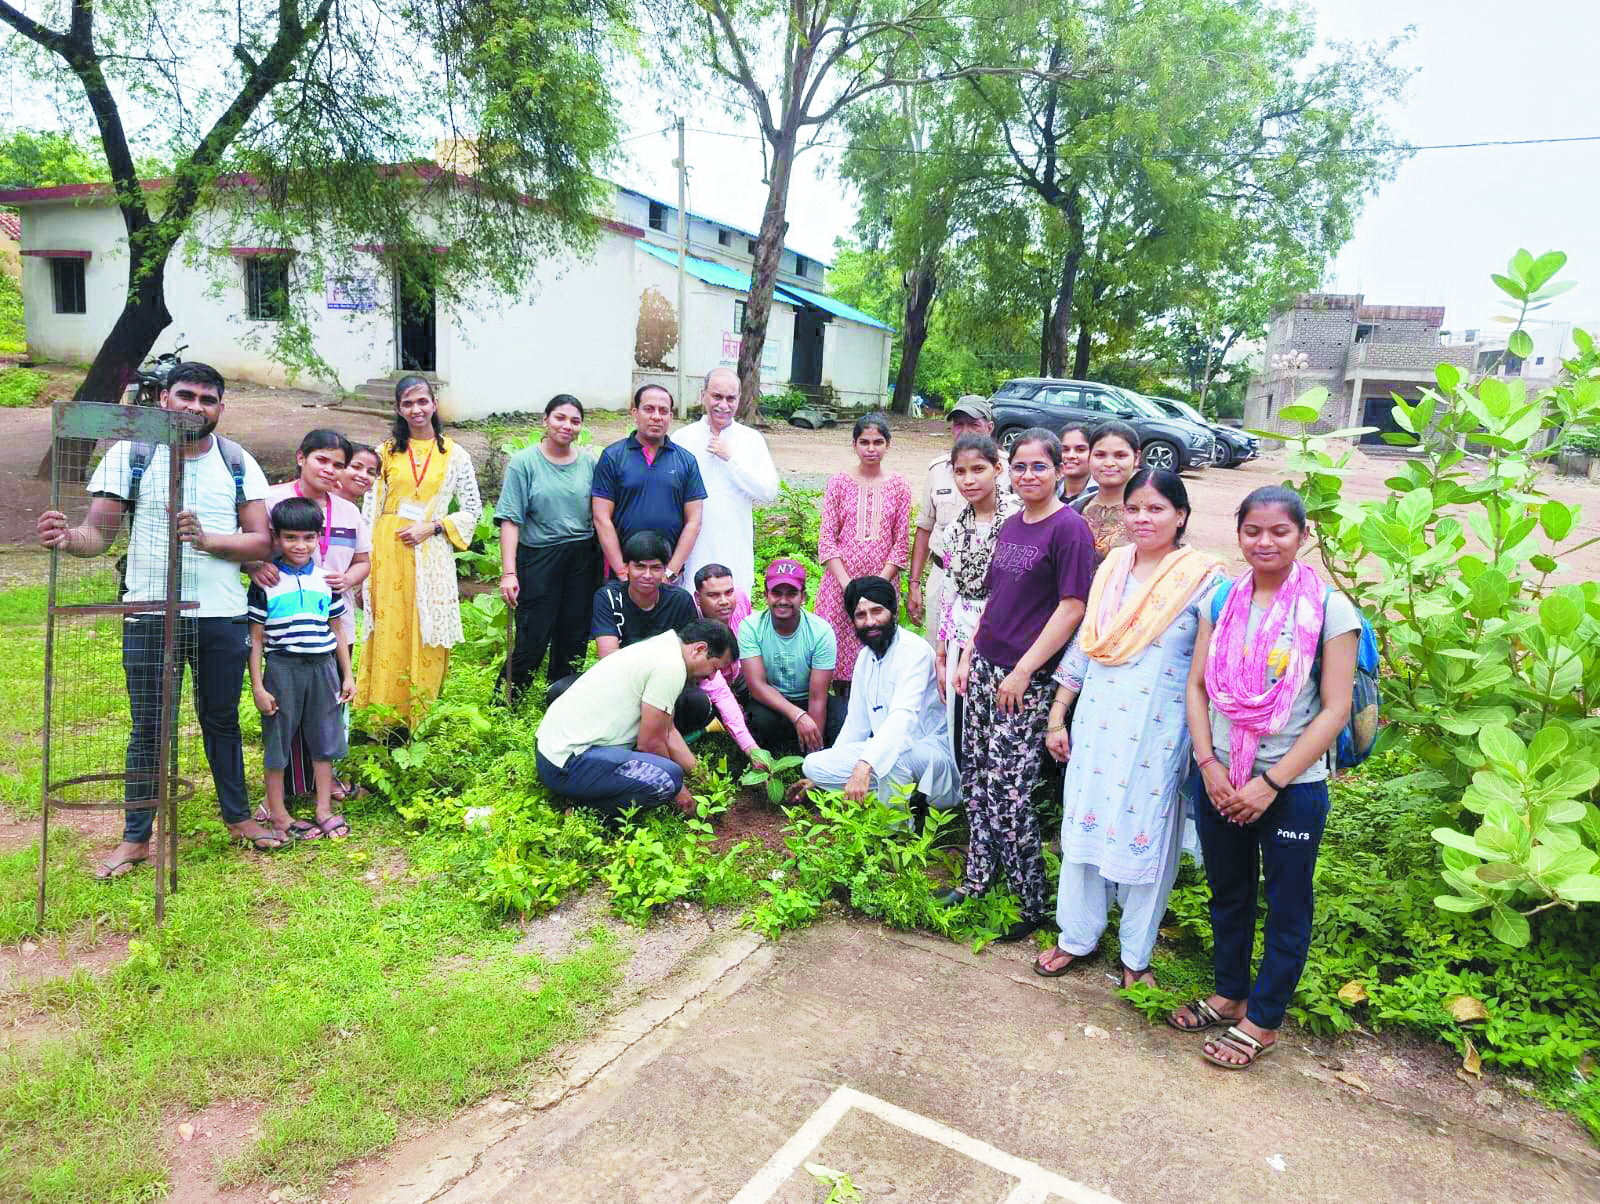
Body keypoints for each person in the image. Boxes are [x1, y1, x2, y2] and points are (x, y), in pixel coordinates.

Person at [35, 361, 281, 875]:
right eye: (185, 396)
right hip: (149, 612)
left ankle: (237, 818)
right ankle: (134, 838)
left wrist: (209, 539)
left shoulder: (237, 461)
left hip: (221, 616)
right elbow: (96, 534)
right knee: (149, 725)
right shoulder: (130, 454)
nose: (195, 407)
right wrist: (68, 539)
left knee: (220, 720)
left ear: (219, 408)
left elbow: (262, 541)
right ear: (163, 399)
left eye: (207, 399)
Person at [1169, 485, 1359, 1071]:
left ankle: (1265, 1016)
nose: (1265, 541)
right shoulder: (1221, 601)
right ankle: (1230, 992)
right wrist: (1208, 764)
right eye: (1253, 530)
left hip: (1291, 788)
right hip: (1220, 775)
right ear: (1240, 534)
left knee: (1287, 902)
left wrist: (1271, 783)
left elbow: (1334, 709)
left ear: (1303, 536)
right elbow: (1198, 687)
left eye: (1280, 531)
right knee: (1228, 890)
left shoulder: (1330, 610)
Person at [1036, 468, 1221, 984]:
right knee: (1084, 826)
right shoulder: (1113, 565)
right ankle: (1076, 936)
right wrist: (1058, 714)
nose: (1143, 518)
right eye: (1135, 508)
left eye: (1157, 508)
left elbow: (1209, 670)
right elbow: (1088, 644)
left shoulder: (1204, 579)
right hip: (1098, 722)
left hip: (1161, 730)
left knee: (1150, 832)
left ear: (1181, 515)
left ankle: (1135, 956)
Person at [949, 429, 1096, 941]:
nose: (1028, 475)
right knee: (977, 780)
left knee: (1009, 793)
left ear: (1058, 470)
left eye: (1039, 467)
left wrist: (1025, 669)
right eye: (1020, 467)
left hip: (1024, 680)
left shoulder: (1069, 530)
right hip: (986, 668)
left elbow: (1072, 607)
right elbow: (995, 598)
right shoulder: (1012, 525)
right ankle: (978, 878)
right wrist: (969, 653)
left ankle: (1031, 900)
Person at [354, 375, 483, 729]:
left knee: (426, 631)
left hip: (430, 553)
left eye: (422, 401)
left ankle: (420, 719)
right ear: (398, 408)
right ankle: (380, 721)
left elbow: (473, 509)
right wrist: (360, 566)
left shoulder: (456, 455)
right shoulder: (384, 453)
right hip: (386, 553)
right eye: (408, 403)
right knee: (386, 629)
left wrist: (435, 526)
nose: (416, 409)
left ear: (434, 404)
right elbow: (369, 508)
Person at [250, 429, 371, 803]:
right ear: (301, 457)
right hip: (282, 629)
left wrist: (348, 578)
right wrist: (254, 565)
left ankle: (324, 782)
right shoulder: (269, 499)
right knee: (285, 709)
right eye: (322, 459)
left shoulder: (349, 510)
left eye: (339, 464)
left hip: (333, 622)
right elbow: (247, 544)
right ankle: (284, 791)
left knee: (327, 710)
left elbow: (364, 561)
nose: (330, 470)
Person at [535, 620, 737, 819]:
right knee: (669, 778)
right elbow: (650, 744)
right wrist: (682, 795)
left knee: (669, 774)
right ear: (699, 649)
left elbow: (668, 731)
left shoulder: (665, 646)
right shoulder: (670, 668)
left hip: (550, 749)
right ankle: (587, 812)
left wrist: (706, 782)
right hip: (565, 763)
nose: (712, 677)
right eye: (715, 668)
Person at [248, 497, 358, 841]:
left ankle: (324, 809)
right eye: (291, 537)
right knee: (278, 740)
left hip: (323, 668)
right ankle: (279, 815)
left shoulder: (327, 579)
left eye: (308, 538)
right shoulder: (266, 581)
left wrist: (347, 674)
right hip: (282, 669)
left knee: (326, 737)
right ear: (276, 539)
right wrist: (258, 686)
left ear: (318, 538)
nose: (300, 545)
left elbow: (337, 628)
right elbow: (256, 638)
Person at [796, 577, 957, 812]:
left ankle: (898, 833)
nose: (870, 622)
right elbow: (856, 724)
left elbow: (903, 720)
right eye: (861, 615)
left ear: (893, 611)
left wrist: (864, 765)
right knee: (813, 765)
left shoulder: (915, 652)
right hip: (890, 749)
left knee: (889, 759)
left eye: (877, 611)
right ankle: (904, 797)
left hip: (931, 751)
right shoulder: (865, 657)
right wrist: (822, 780)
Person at [497, 395, 601, 702]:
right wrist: (509, 572)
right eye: (560, 418)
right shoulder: (524, 463)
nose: (567, 426)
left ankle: (560, 702)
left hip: (582, 558)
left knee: (574, 637)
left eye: (575, 421)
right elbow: (510, 519)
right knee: (532, 638)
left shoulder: (590, 464)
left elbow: (602, 514)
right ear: (546, 420)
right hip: (539, 559)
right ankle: (504, 703)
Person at [933, 434, 1020, 764]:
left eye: (978, 469)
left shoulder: (1017, 518)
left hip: (1003, 628)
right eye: (960, 471)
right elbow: (950, 589)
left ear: (998, 469)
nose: (968, 480)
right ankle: (963, 790)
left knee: (995, 716)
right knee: (960, 709)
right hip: (960, 626)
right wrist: (942, 650)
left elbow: (1009, 588)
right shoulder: (956, 525)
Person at [816, 414, 911, 687]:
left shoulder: (900, 486)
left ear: (888, 444)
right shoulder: (838, 483)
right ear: (854, 444)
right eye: (864, 442)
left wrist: (877, 587)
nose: (871, 448)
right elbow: (827, 540)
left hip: (883, 582)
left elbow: (900, 543)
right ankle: (839, 714)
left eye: (878, 442)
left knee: (877, 645)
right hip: (839, 585)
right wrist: (849, 587)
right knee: (836, 653)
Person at [676, 367, 779, 596]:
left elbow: (768, 491)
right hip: (693, 551)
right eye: (717, 396)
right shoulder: (682, 438)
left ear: (739, 399)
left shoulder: (751, 440)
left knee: (734, 620)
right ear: (703, 395)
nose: (723, 405)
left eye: (731, 398)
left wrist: (732, 460)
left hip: (734, 548)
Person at [591, 384, 706, 583]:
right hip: (623, 572)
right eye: (649, 409)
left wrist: (671, 571)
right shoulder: (613, 457)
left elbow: (694, 521)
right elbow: (601, 518)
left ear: (670, 416)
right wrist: (621, 571)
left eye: (663, 411)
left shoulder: (686, 461)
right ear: (635, 413)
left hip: (667, 573)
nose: (656, 416)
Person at [909, 397, 1005, 634]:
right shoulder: (938, 470)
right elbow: (925, 527)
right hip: (942, 577)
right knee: (938, 651)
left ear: (989, 427)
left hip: (992, 583)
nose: (965, 431)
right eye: (959, 424)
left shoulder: (1010, 468)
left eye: (973, 424)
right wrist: (914, 584)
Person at [738, 559, 846, 757]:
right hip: (772, 701)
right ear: (766, 595)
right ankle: (782, 747)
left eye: (791, 593)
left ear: (803, 596)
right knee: (758, 721)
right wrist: (798, 716)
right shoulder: (751, 627)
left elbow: (818, 696)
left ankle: (810, 749)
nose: (783, 600)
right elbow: (757, 686)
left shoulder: (821, 632)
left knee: (842, 718)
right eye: (776, 593)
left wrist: (814, 756)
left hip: (808, 699)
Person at [691, 562, 765, 765]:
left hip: (740, 674)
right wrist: (752, 750)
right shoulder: (695, 633)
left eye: (728, 592)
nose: (724, 601)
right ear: (698, 599)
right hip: (709, 687)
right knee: (699, 704)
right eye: (714, 595)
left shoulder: (740, 600)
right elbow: (718, 691)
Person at [590, 530, 700, 657]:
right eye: (640, 567)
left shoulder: (681, 600)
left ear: (665, 570)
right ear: (626, 567)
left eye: (655, 568)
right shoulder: (609, 597)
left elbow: (690, 655)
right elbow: (607, 657)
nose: (647, 575)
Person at [1072, 420, 1140, 563]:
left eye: (1120, 456)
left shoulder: (1150, 515)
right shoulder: (1074, 509)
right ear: (1090, 457)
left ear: (1137, 458)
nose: (1109, 463)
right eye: (1100, 455)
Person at [1058, 422, 1096, 506]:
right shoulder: (1047, 489)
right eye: (1065, 449)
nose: (1070, 456)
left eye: (1080, 449)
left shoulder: (1102, 495)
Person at [338, 444, 380, 509]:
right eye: (356, 467)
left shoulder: (353, 511)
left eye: (371, 472)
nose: (364, 475)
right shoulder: (320, 506)